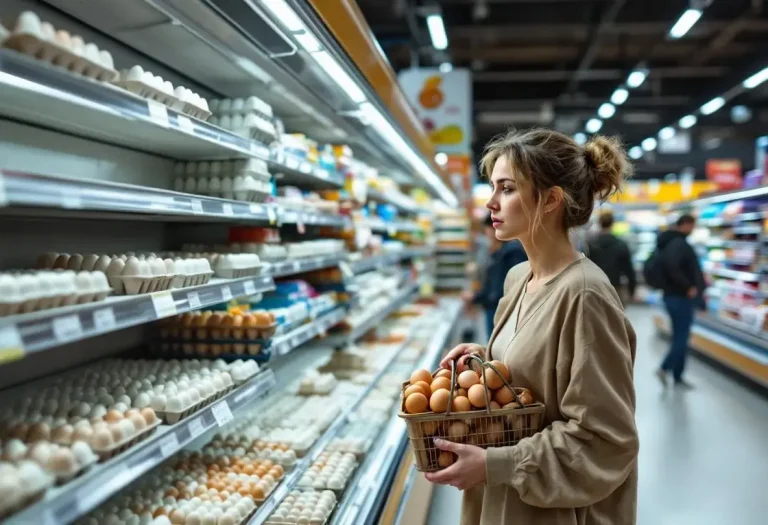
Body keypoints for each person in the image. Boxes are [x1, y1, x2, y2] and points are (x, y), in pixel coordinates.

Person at [426, 129, 639, 525]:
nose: (490, 202)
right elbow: (538, 372)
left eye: (506, 189)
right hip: (507, 500)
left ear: (551, 200)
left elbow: (606, 441)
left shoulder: (585, 295)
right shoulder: (519, 278)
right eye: (492, 187)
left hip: (553, 511)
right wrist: (486, 362)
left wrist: (498, 464)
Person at [655, 214, 706, 388]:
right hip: (680, 297)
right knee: (682, 337)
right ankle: (664, 368)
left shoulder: (670, 242)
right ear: (684, 224)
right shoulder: (678, 244)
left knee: (680, 336)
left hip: (673, 296)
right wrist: (688, 287)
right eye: (692, 226)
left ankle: (678, 376)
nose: (693, 230)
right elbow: (674, 268)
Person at [468, 214, 528, 338]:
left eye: (488, 230)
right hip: (494, 309)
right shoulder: (499, 252)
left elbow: (501, 289)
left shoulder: (511, 252)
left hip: (500, 311)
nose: (487, 234)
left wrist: (477, 297)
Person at [587, 210, 637, 304]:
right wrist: (632, 290)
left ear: (599, 223)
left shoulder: (591, 245)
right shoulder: (621, 244)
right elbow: (628, 269)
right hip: (615, 288)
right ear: (612, 223)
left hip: (595, 288)